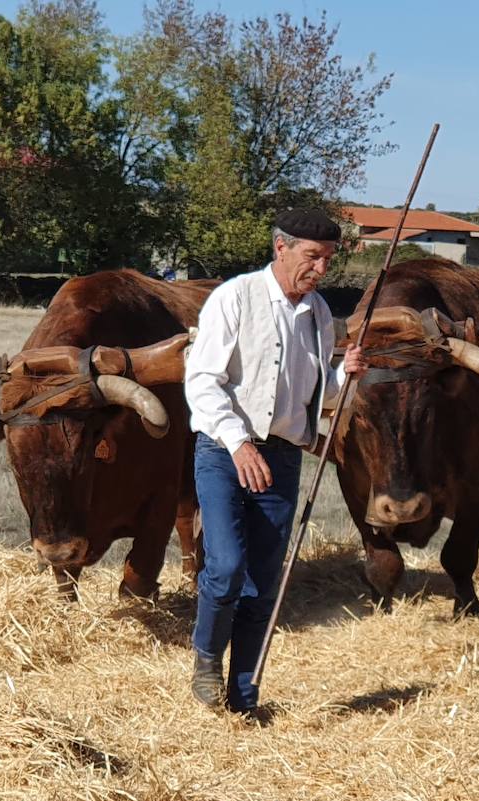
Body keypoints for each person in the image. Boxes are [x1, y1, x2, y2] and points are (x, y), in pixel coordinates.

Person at [185, 209, 367, 715]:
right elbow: (202, 382)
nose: (321, 270)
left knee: (265, 582)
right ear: (281, 248)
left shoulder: (318, 316)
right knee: (225, 566)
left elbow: (319, 398)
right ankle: (205, 661)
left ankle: (244, 695)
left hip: (282, 459)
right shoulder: (234, 298)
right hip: (225, 453)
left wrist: (344, 377)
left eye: (328, 260)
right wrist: (240, 444)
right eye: (313, 257)